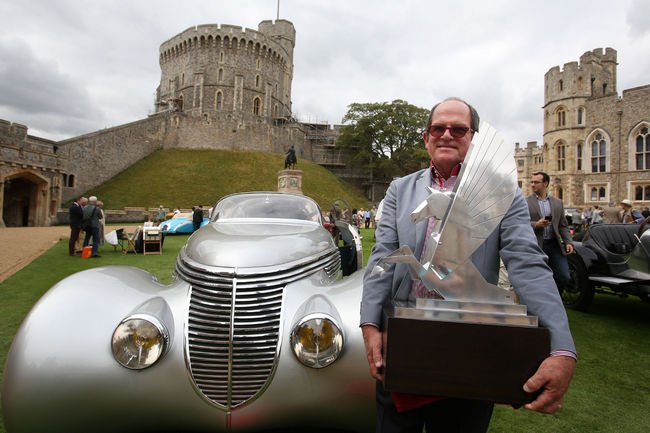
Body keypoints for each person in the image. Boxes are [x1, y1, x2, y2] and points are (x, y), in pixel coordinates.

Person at [360, 97, 576, 432]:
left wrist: (562, 348)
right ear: (426, 137)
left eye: (458, 129)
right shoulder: (400, 191)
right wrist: (370, 324)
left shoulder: (503, 193)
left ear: (472, 138)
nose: (447, 134)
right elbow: (382, 257)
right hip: (402, 346)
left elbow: (528, 265)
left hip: (471, 347)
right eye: (438, 128)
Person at [526, 172, 574, 293]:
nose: (532, 185)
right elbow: (519, 223)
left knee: (564, 276)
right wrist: (535, 225)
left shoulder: (557, 203)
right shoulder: (525, 202)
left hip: (554, 245)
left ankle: (556, 299)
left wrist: (568, 242)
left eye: (536, 182)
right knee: (536, 278)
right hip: (536, 245)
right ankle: (541, 303)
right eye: (531, 182)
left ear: (545, 184)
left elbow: (563, 225)